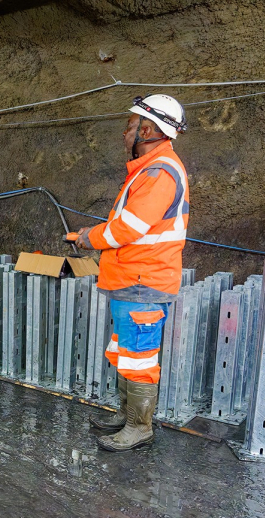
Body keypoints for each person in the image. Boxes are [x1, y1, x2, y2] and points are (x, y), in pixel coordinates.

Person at [76, 94, 189, 452]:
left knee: (139, 356)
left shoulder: (159, 173)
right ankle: (127, 416)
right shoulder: (148, 170)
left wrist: (86, 238)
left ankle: (140, 427)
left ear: (148, 130)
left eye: (130, 127)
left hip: (144, 282)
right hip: (132, 280)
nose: (125, 134)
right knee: (128, 351)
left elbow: (127, 228)